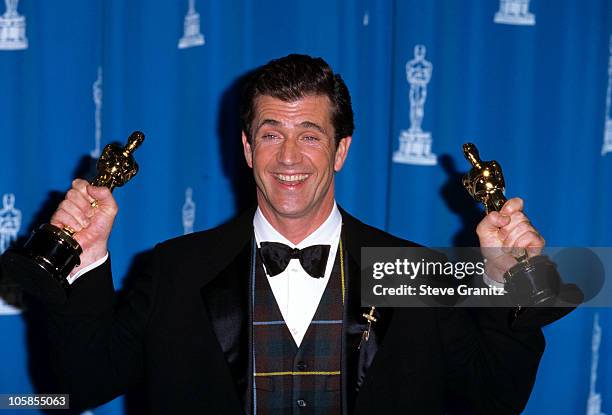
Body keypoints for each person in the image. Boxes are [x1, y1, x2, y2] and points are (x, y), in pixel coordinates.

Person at [37, 54, 549, 414]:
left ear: (340, 150)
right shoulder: (176, 269)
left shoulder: (415, 272)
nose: (287, 157)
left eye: (309, 135)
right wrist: (83, 259)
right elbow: (80, 386)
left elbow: (492, 400)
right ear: (246, 148)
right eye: (270, 134)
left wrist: (512, 285)